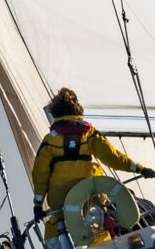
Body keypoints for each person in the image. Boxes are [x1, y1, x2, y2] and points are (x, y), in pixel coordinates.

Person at [28, 88, 148, 226]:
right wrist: (140, 169)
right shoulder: (89, 133)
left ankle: (60, 233)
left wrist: (38, 204)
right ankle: (106, 230)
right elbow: (112, 157)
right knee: (98, 222)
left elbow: (40, 174)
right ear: (77, 109)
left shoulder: (49, 140)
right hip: (89, 190)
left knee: (58, 225)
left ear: (55, 111)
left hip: (61, 196)